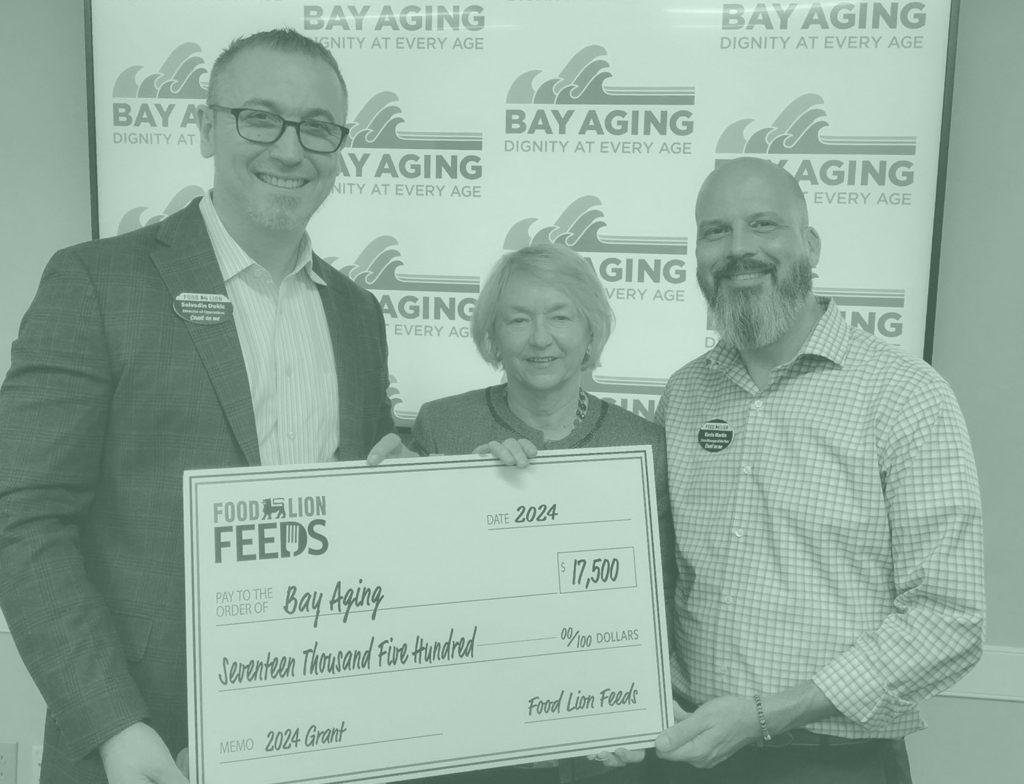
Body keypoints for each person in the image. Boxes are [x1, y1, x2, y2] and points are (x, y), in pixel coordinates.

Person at [0, 29, 394, 784]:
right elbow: (23, 517)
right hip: (142, 741)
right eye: (259, 117)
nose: (289, 148)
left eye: (318, 127)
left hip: (323, 726)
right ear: (207, 126)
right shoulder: (97, 282)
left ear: (340, 146)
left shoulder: (358, 313)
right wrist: (113, 723)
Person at [624, 156, 983, 783]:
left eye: (764, 225)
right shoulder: (684, 395)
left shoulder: (906, 396)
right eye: (716, 231)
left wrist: (768, 713)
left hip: (836, 763)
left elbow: (948, 619)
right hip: (688, 754)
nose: (739, 249)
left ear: (808, 244)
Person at [411, 243, 674, 784]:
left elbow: (656, 599)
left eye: (560, 316)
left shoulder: (644, 444)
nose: (539, 338)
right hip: (476, 740)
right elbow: (417, 591)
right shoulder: (443, 426)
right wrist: (468, 492)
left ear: (590, 333)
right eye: (518, 319)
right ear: (492, 337)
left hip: (606, 743)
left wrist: (637, 708)